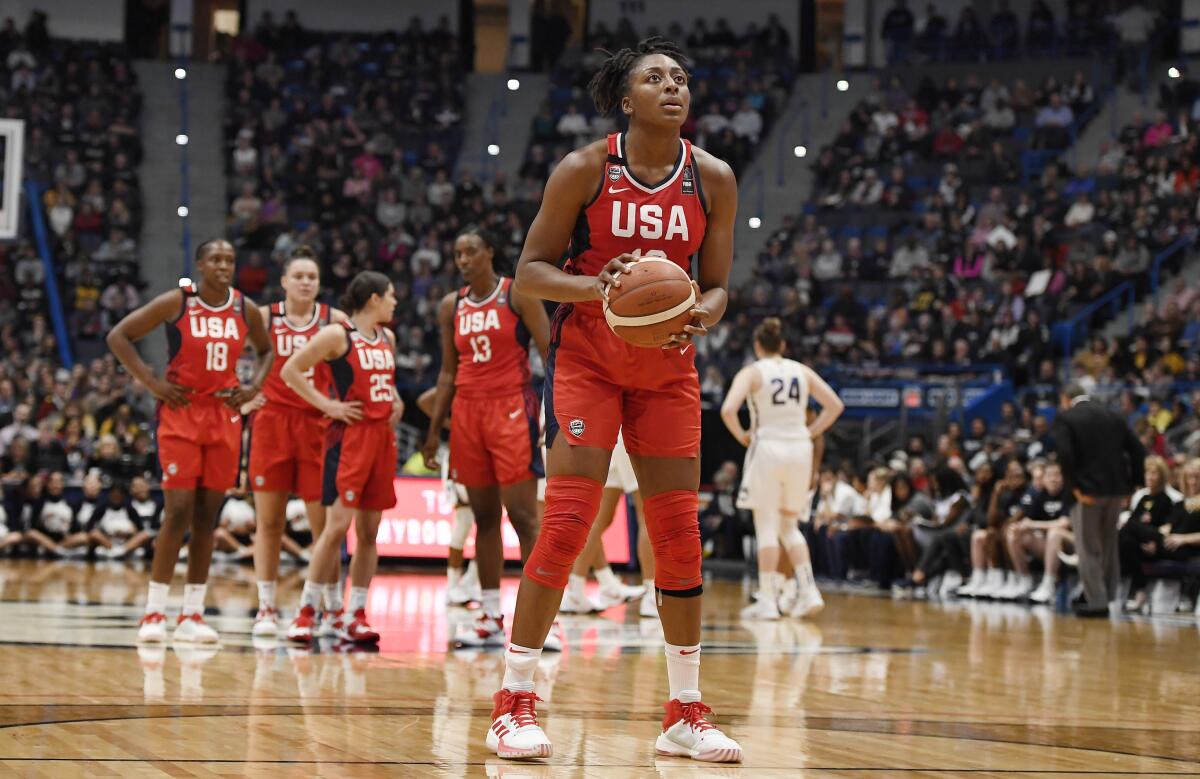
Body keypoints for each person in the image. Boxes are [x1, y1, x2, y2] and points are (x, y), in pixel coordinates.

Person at [487, 37, 742, 763]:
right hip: (589, 362)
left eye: (682, 78)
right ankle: (513, 702)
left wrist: (703, 309)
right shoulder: (585, 169)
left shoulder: (715, 178)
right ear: (626, 99)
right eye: (655, 78)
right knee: (566, 524)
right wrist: (597, 287)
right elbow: (529, 274)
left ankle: (685, 709)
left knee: (679, 538)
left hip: (667, 367)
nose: (673, 87)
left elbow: (719, 284)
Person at [108, 239, 272, 643]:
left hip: (223, 416)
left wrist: (252, 389)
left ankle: (193, 615)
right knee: (178, 509)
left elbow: (267, 351)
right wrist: (152, 383)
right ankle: (153, 613)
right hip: (181, 413)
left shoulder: (244, 308)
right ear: (199, 264)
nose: (223, 265)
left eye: (229, 260)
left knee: (206, 517)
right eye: (215, 259)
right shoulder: (177, 302)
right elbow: (119, 336)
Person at [421, 226, 553, 650]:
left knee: (525, 518)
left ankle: (542, 624)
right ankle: (491, 616)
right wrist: (431, 433)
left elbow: (551, 353)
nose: (462, 260)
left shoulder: (518, 294)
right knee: (482, 519)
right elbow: (446, 373)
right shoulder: (451, 306)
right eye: (457, 253)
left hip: (511, 407)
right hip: (466, 414)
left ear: (489, 252)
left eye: (471, 252)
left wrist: (558, 415)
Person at [282, 271, 401, 646]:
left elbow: (387, 386)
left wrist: (394, 401)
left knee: (369, 534)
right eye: (391, 295)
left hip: (382, 439)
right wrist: (327, 404)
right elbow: (290, 370)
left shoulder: (388, 338)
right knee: (336, 528)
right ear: (373, 299)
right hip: (349, 439)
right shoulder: (338, 335)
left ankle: (357, 614)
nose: (395, 302)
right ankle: (307, 611)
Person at [247, 246, 347, 638]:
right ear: (285, 281)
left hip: (318, 426)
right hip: (271, 424)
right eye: (299, 276)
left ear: (319, 284)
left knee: (325, 526)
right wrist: (243, 393)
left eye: (312, 277)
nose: (306, 282)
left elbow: (358, 358)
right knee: (269, 522)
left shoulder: (332, 320)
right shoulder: (262, 317)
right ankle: (267, 607)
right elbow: (229, 357)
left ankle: (330, 606)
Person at [720, 317, 844, 620]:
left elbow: (727, 410)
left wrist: (743, 436)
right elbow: (835, 406)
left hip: (769, 447)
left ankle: (767, 601)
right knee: (790, 526)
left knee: (766, 526)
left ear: (757, 345)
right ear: (784, 345)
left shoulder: (752, 372)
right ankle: (809, 589)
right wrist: (811, 432)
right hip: (799, 448)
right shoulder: (801, 371)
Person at [1053, 383, 1147, 617]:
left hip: (1087, 492)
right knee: (1108, 545)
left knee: (1088, 547)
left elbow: (1065, 454)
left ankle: (1097, 602)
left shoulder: (1067, 417)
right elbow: (1138, 450)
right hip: (1116, 490)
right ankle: (1108, 595)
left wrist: (1074, 487)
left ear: (1066, 398)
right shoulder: (1113, 416)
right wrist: (1134, 483)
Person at [558, 430, 651, 614]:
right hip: (632, 430)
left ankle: (576, 591)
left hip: (609, 434)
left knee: (600, 518)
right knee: (648, 514)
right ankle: (652, 595)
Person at [416, 386, 481, 607]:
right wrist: (449, 425)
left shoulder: (495, 376)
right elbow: (424, 400)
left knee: (488, 524)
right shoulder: (459, 379)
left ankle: (471, 582)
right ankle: (453, 585)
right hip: (460, 455)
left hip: (487, 453)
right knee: (463, 524)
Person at [1001, 461, 1074, 600]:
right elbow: (1026, 520)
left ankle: (1049, 584)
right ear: (1043, 479)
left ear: (1064, 477)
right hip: (1048, 547)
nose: (1053, 479)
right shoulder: (1039, 494)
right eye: (1049, 475)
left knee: (1055, 532)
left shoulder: (1069, 493)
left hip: (1071, 544)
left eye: (1057, 475)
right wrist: (1020, 527)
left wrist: (1033, 524)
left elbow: (1064, 523)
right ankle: (1024, 580)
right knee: (1015, 533)